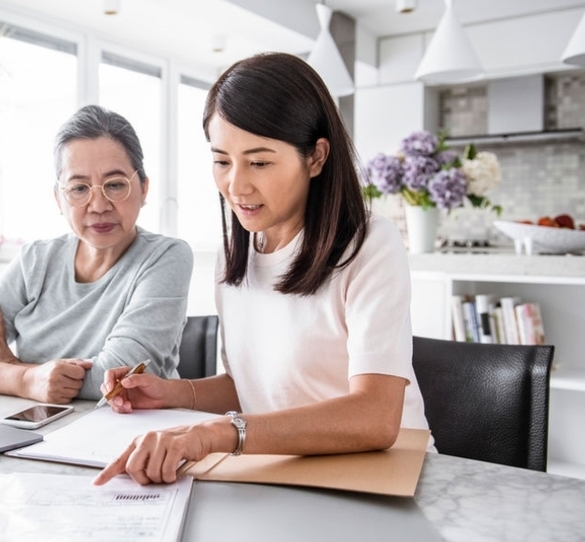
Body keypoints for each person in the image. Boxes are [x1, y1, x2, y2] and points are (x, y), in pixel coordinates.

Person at [94, 52, 433, 486]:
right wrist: (171, 393)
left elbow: (375, 416)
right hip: (286, 470)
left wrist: (218, 433)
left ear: (316, 157)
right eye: (222, 161)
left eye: (259, 162)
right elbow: (254, 387)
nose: (236, 185)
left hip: (383, 476)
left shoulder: (369, 244)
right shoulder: (235, 253)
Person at [0, 105, 193, 403]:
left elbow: (118, 379)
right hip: (37, 433)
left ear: (144, 188)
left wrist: (13, 367)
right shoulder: (36, 260)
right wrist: (26, 379)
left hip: (134, 436)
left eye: (115, 185)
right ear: (59, 198)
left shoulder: (167, 257)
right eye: (79, 188)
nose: (98, 204)